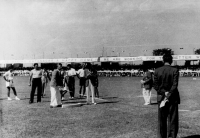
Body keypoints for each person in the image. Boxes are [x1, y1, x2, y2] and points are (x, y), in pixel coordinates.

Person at [154, 54, 180, 138]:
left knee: (161, 119)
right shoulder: (175, 70)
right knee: (172, 119)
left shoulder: (157, 70)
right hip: (172, 97)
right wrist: (169, 93)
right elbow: (175, 84)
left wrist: (164, 92)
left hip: (161, 97)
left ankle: (162, 137)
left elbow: (155, 85)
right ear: (171, 61)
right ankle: (172, 137)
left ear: (163, 60)